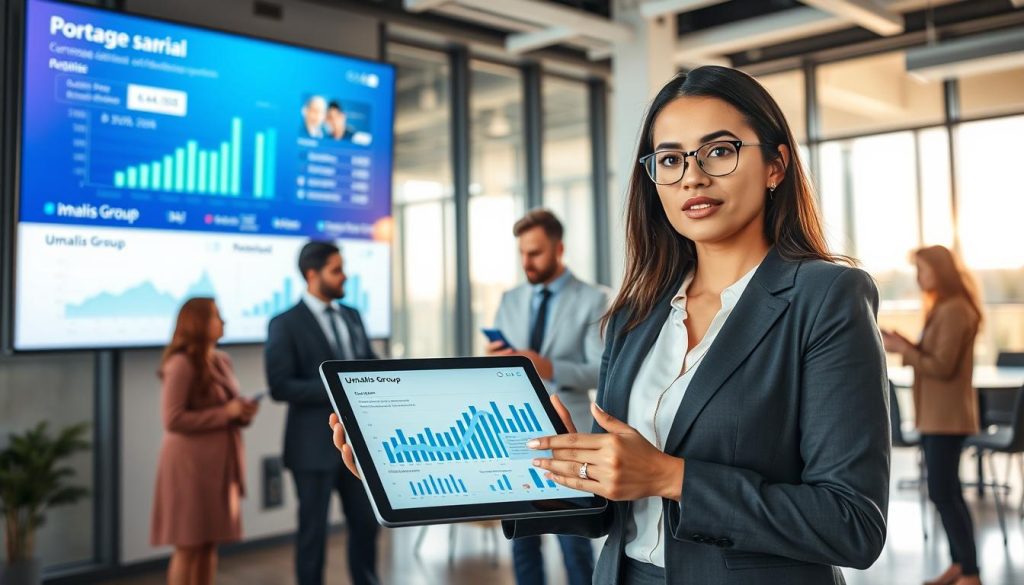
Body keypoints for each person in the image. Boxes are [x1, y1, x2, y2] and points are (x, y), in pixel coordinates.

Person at [332, 65, 892, 584]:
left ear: (776, 165)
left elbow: (852, 524)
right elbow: (608, 506)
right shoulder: (636, 313)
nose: (692, 177)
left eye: (719, 151)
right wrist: (414, 473)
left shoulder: (826, 297)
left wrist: (671, 477)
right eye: (670, 160)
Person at [485, 208, 608, 585]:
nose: (527, 262)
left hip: (567, 434)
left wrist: (547, 367)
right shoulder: (510, 299)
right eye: (522, 253)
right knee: (522, 540)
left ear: (559, 249)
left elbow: (600, 370)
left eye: (535, 253)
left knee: (574, 542)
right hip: (514, 433)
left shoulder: (594, 299)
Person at [265, 241, 381, 585]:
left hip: (358, 444)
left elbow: (369, 363)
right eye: (336, 270)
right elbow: (280, 386)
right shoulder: (284, 323)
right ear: (312, 274)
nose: (345, 276)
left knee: (367, 525)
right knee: (313, 534)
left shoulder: (352, 315)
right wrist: (338, 387)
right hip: (311, 448)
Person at [881, 245, 983, 585]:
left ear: (940, 271)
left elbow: (942, 366)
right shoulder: (943, 307)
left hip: (946, 419)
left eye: (922, 270)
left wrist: (903, 350)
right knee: (946, 492)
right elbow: (933, 355)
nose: (919, 277)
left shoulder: (955, 310)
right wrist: (908, 345)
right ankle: (961, 566)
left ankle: (970, 571)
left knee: (944, 493)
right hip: (936, 417)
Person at [152, 298, 259, 585]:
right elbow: (173, 419)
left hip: (218, 467)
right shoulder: (181, 363)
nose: (223, 321)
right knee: (188, 546)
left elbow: (226, 408)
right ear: (198, 323)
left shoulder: (221, 360)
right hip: (189, 469)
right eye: (216, 316)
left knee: (209, 543)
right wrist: (227, 413)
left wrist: (242, 413)